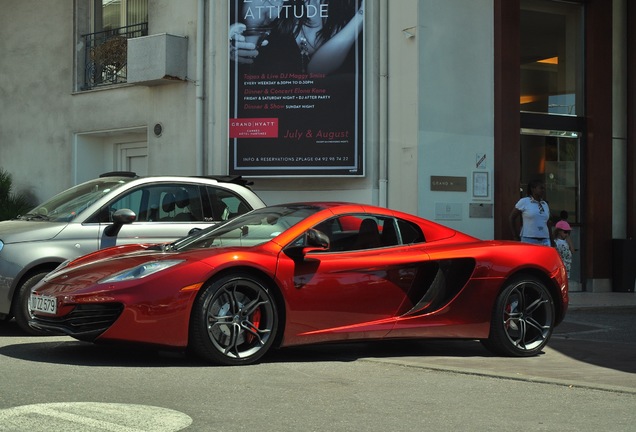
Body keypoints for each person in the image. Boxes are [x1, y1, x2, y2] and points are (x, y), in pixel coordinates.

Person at [230, 0, 364, 74]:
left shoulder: (352, 9)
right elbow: (244, 58)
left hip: (333, 116)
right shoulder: (264, 4)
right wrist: (229, 45)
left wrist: (363, 13)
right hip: (274, 113)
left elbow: (317, 69)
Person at [509, 179, 553, 246]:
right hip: (529, 239)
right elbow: (512, 218)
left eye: (544, 188)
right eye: (541, 188)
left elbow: (548, 223)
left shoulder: (545, 204)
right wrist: (515, 236)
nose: (543, 190)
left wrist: (552, 240)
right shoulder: (524, 201)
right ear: (533, 189)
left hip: (545, 240)